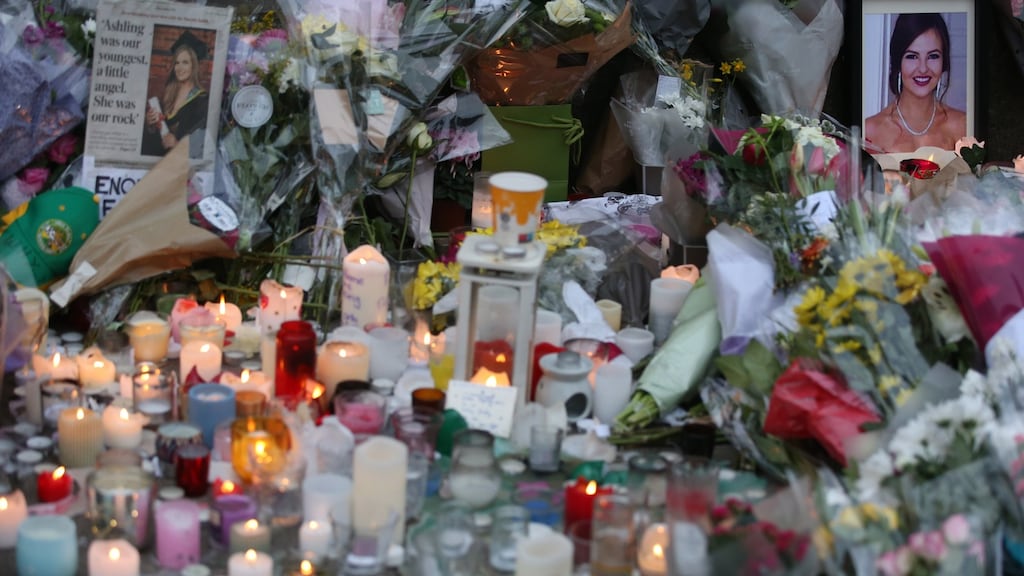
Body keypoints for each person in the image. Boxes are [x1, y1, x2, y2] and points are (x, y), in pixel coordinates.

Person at [864, 13, 966, 153]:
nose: (923, 68)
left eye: (933, 56)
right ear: (898, 63)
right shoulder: (870, 130)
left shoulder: (962, 125)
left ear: (944, 62)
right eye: (912, 56)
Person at [142, 30, 210, 157]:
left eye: (185, 62)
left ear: (193, 66)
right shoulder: (169, 92)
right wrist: (150, 124)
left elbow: (201, 145)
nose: (179, 68)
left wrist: (176, 144)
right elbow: (158, 136)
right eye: (177, 63)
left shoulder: (202, 101)